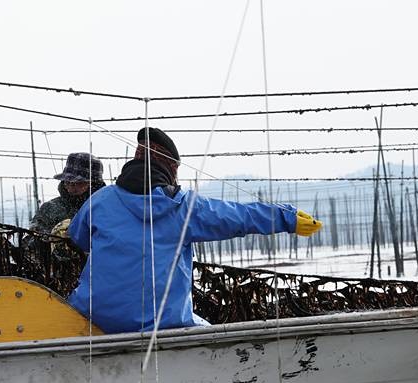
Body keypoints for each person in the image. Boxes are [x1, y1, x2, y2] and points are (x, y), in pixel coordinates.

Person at [66, 127, 322, 333]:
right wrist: (286, 218)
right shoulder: (183, 206)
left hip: (92, 316)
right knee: (207, 331)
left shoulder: (99, 201)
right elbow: (237, 216)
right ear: (169, 168)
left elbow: (78, 237)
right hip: (161, 324)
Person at [30, 152, 105, 233]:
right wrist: (50, 236)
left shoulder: (106, 209)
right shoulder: (50, 208)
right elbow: (32, 237)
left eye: (78, 182)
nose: (70, 187)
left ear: (94, 184)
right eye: (67, 182)